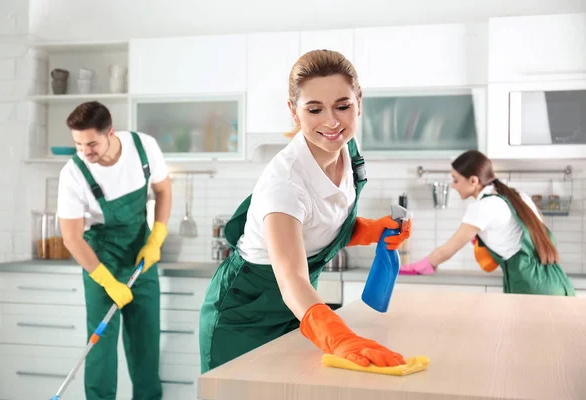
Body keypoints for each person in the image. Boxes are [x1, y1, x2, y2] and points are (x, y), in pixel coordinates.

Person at [199, 49, 413, 374]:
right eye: (315, 109)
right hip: (246, 313)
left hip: (301, 311)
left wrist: (368, 230)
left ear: (359, 103)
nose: (331, 122)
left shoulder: (347, 152)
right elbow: (291, 279)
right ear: (294, 113)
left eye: (343, 106)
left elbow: (320, 227)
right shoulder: (284, 182)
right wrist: (339, 337)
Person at [56, 101, 172, 399]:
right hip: (99, 257)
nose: (85, 151)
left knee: (146, 342)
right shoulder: (73, 173)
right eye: (78, 144)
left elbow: (163, 190)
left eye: (91, 142)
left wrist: (157, 236)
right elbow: (71, 237)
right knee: (101, 346)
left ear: (110, 131)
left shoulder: (143, 148)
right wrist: (107, 281)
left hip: (140, 254)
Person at [400, 150, 575, 296]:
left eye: (456, 180)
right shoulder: (517, 196)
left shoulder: (482, 207)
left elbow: (447, 251)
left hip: (532, 287)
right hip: (558, 282)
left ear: (474, 181)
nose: (453, 186)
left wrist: (418, 267)